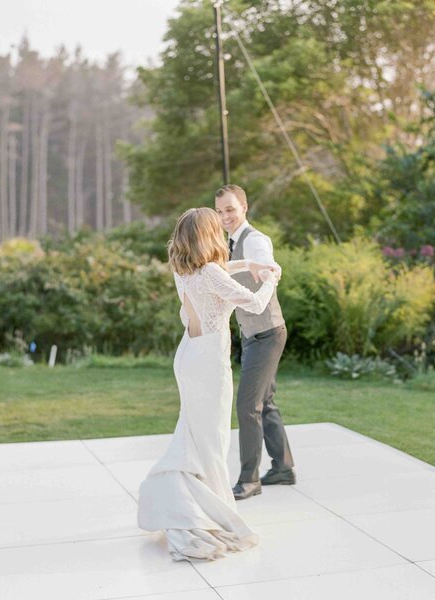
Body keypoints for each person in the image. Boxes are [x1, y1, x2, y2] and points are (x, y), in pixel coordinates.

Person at [137, 207, 280, 561]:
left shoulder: (183, 269)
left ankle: (190, 499)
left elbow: (217, 273)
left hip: (187, 355)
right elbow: (255, 302)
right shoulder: (210, 272)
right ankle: (219, 512)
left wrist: (247, 265)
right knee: (213, 438)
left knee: (194, 434)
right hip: (208, 364)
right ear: (208, 236)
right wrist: (271, 278)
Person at [214, 185, 295, 501]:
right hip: (252, 335)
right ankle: (283, 468)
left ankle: (249, 480)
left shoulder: (256, 240)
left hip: (267, 333)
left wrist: (266, 270)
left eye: (230, 209)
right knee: (265, 401)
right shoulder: (227, 244)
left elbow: (264, 262)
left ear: (244, 207)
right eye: (220, 211)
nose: (225, 217)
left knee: (248, 405)